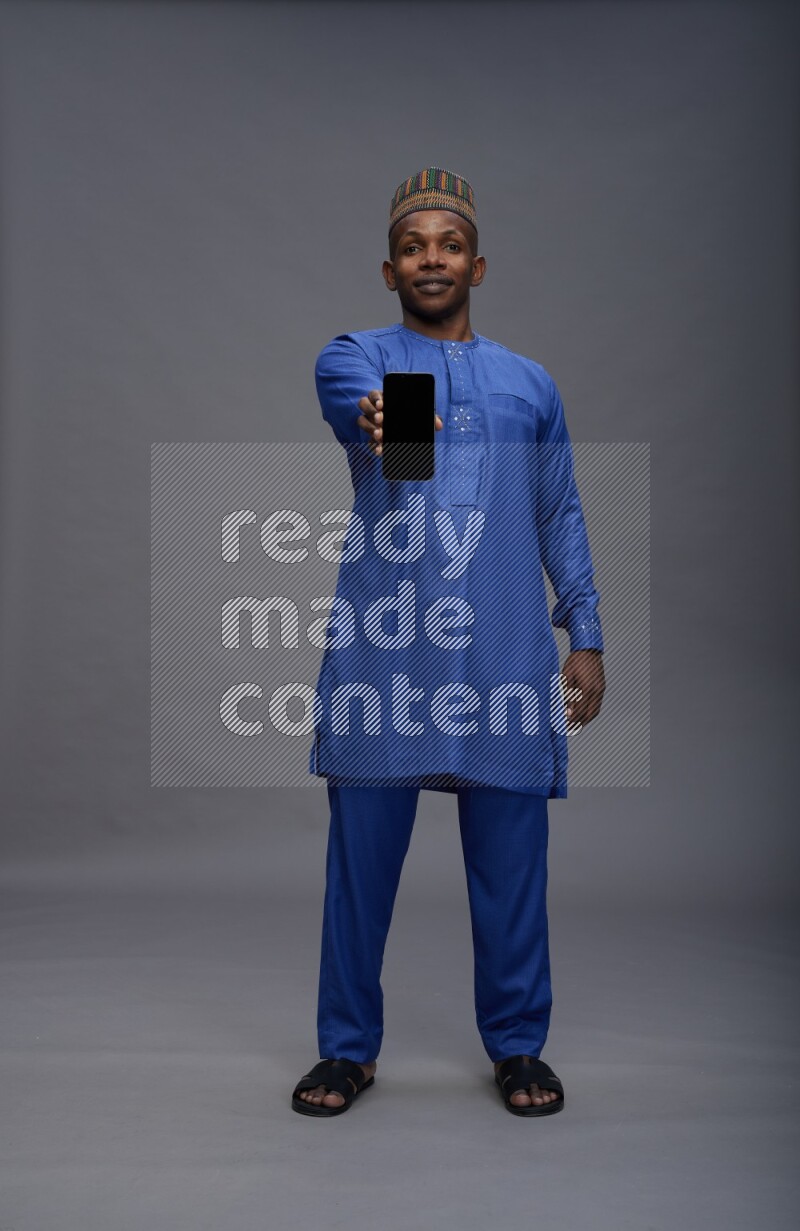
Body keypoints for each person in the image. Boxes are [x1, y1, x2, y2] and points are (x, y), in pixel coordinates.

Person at [291, 168, 605, 1117]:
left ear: (478, 263)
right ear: (390, 270)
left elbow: (559, 511)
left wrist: (582, 633)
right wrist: (380, 417)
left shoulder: (528, 384)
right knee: (359, 871)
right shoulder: (358, 358)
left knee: (513, 872)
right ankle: (347, 1050)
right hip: (391, 652)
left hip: (504, 655)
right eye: (416, 246)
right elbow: (377, 416)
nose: (434, 257)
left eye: (451, 244)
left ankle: (517, 1048)